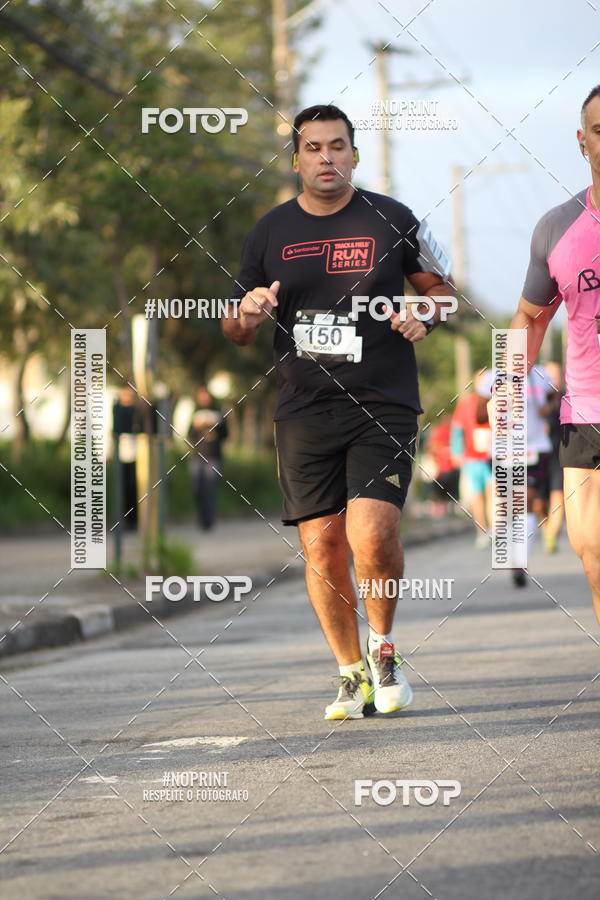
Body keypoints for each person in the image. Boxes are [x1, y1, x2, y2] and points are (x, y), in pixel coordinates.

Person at [222, 103, 455, 719]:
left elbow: (442, 292)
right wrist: (248, 314)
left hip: (383, 401)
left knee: (372, 534)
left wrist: (424, 313)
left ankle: (384, 650)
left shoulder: (393, 218)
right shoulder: (268, 232)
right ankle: (351, 674)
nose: (326, 157)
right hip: (304, 408)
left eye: (337, 146)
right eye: (313, 148)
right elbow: (235, 328)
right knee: (323, 549)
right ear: (295, 160)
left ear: (354, 155)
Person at [505, 84, 600, 620]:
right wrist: (508, 384)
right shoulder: (557, 227)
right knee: (593, 555)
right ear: (582, 141)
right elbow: (530, 317)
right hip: (586, 411)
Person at [450, 373, 492, 548]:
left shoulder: (497, 400)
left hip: (492, 457)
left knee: (493, 493)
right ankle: (482, 532)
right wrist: (456, 452)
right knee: (477, 496)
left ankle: (495, 528)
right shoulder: (466, 403)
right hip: (472, 458)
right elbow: (457, 429)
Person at [187, 386, 228, 531]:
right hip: (197, 456)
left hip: (213, 456)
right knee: (197, 488)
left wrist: (216, 427)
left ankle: (209, 520)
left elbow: (226, 434)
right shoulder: (195, 412)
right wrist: (197, 427)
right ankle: (201, 516)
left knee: (211, 489)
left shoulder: (218, 411)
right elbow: (189, 434)